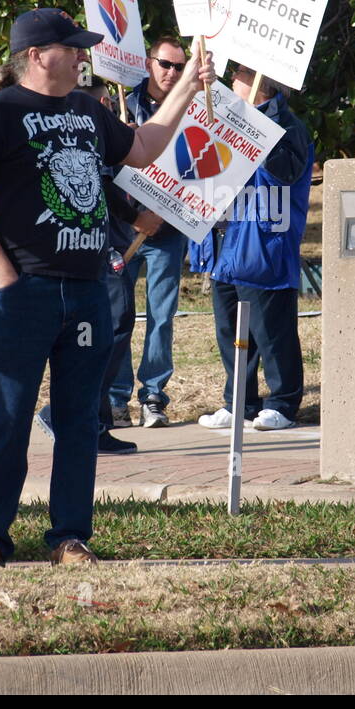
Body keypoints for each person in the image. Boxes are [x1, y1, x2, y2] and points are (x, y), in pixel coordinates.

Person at [0, 9, 211, 567]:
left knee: (78, 420)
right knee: (8, 413)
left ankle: (70, 536)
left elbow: (143, 147)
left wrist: (187, 86)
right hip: (25, 290)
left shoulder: (88, 111)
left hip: (88, 288)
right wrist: (3, 276)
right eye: (70, 48)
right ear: (37, 55)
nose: (81, 56)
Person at [34, 77, 163, 456]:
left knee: (112, 330)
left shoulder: (94, 129)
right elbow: (103, 187)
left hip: (103, 245)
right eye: (102, 104)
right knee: (109, 331)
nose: (106, 109)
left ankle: (95, 422)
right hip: (97, 247)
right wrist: (137, 218)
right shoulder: (85, 132)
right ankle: (65, 413)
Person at [192, 65, 313, 431]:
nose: (233, 81)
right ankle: (238, 401)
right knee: (230, 328)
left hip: (263, 240)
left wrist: (253, 131)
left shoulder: (288, 126)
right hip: (225, 239)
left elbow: (285, 171)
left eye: (241, 75)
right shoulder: (228, 117)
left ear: (261, 83)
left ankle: (283, 403)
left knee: (270, 329)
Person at [111, 37, 190, 428]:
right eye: (165, 64)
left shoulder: (191, 109)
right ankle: (115, 397)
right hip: (124, 228)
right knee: (118, 315)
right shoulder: (120, 102)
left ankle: (154, 395)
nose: (171, 73)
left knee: (162, 315)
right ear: (148, 62)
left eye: (179, 67)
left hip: (167, 230)